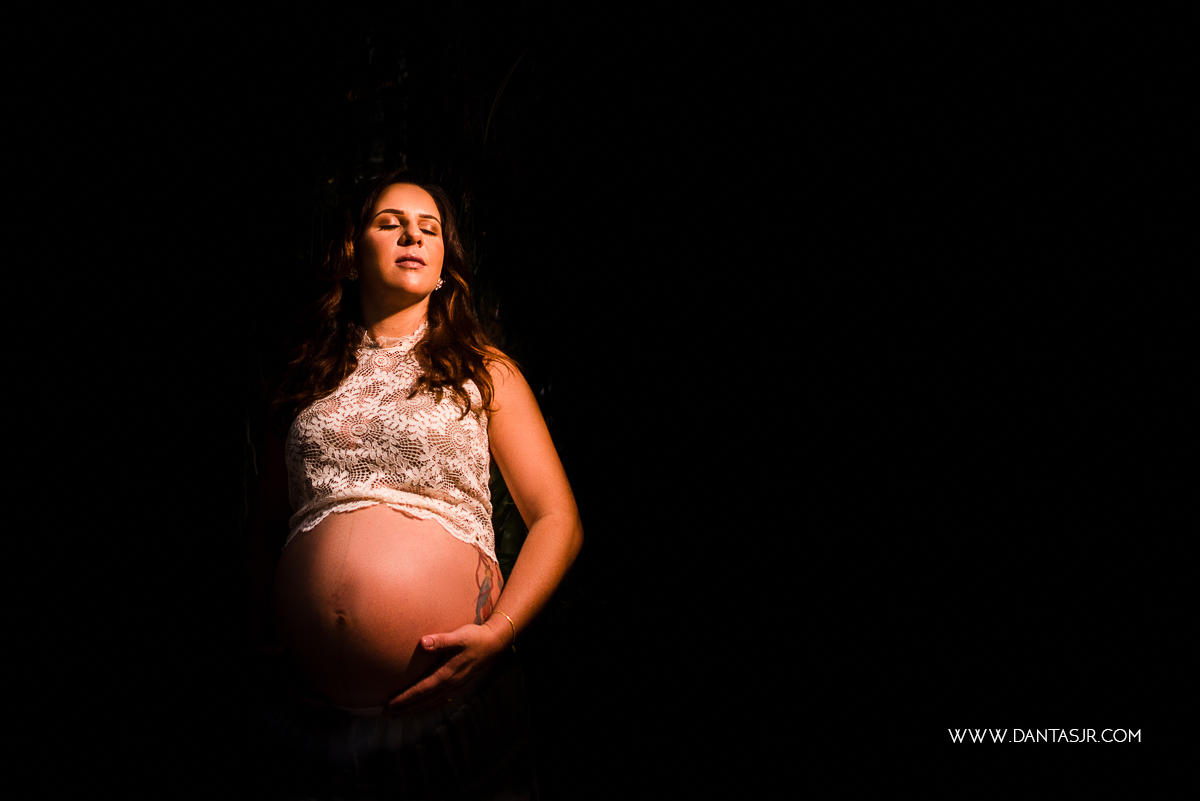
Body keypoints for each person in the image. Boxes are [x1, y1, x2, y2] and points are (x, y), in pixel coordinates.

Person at [245, 169, 583, 798]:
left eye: (429, 229)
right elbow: (266, 527)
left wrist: (499, 632)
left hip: (453, 719)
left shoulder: (483, 369)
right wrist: (264, 633)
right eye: (390, 222)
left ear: (444, 261)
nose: (412, 236)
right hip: (305, 724)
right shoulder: (304, 374)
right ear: (352, 249)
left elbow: (557, 518)